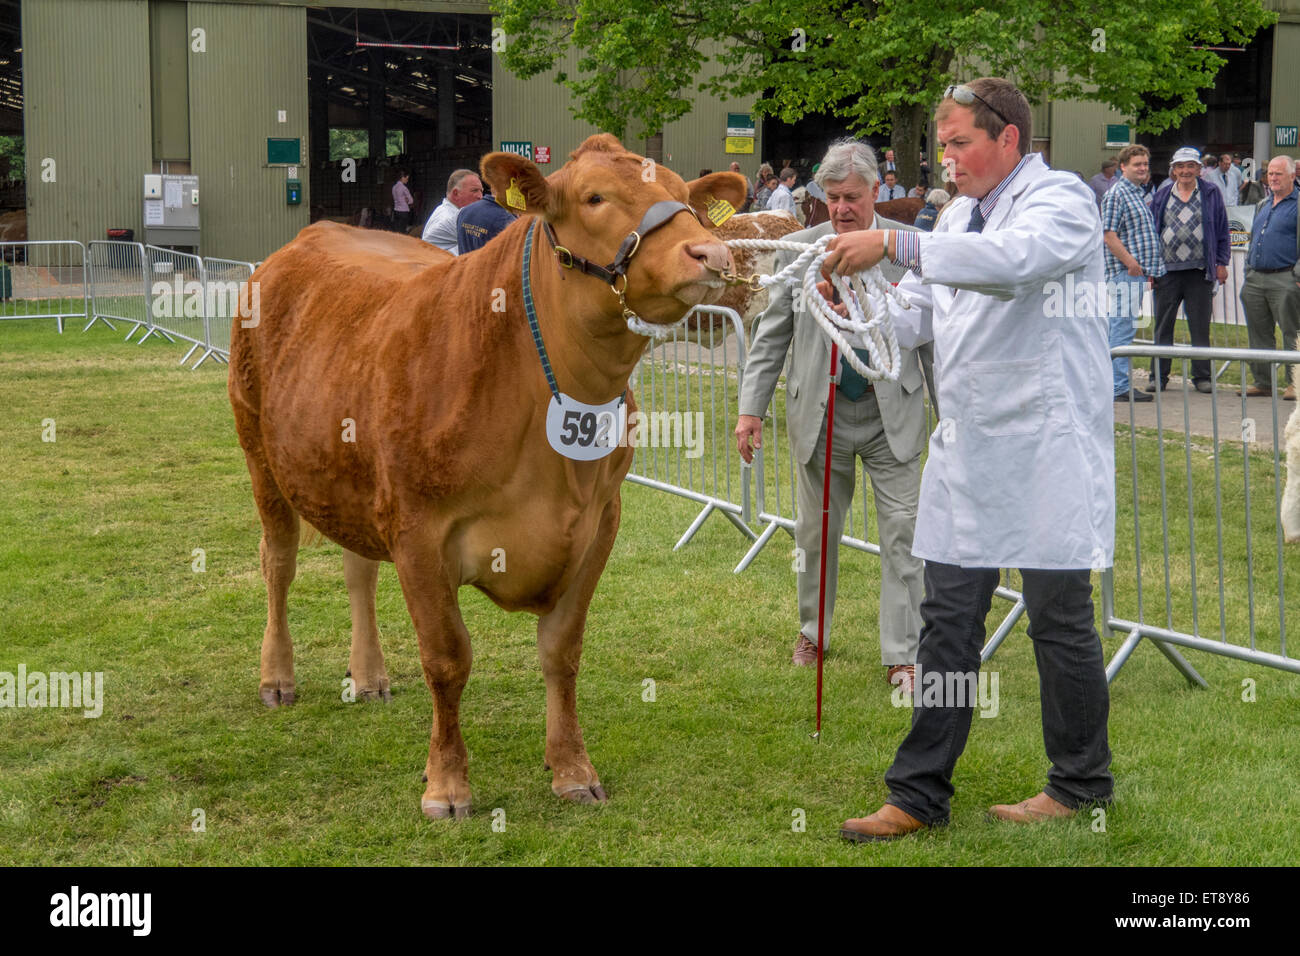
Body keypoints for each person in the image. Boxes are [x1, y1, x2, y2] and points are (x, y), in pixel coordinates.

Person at [820, 77, 1115, 841]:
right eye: (943, 146)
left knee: (1059, 620)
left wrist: (890, 239)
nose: (946, 160)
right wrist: (864, 303)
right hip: (970, 450)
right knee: (946, 624)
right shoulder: (955, 215)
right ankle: (917, 794)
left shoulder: (1063, 202)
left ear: (1008, 139)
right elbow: (923, 308)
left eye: (958, 144)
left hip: (1045, 447)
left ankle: (1079, 782)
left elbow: (1014, 260)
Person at [735, 138, 928, 694]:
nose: (843, 208)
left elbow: (939, 338)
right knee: (816, 535)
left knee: (904, 535)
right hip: (821, 416)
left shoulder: (912, 248)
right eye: (834, 197)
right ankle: (813, 631)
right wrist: (751, 410)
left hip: (893, 412)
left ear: (877, 192)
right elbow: (770, 339)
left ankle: (904, 654)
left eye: (854, 196)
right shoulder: (800, 250)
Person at [1147, 146, 1231, 393]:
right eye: (1180, 166)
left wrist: (1221, 263)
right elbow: (1153, 233)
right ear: (1173, 169)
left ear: (1199, 169)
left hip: (1199, 270)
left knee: (1200, 326)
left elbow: (1223, 230)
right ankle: (1158, 377)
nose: (1185, 170)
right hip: (1167, 271)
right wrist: (1151, 267)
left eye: (1190, 166)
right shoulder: (1162, 195)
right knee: (1163, 327)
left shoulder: (1211, 193)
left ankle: (1202, 377)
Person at [1101, 144, 1164, 402]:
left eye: (1145, 164)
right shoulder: (1117, 194)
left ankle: (1115, 383)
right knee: (1122, 328)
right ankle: (1118, 387)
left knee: (1120, 326)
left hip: (1134, 273)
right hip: (1125, 273)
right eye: (1137, 164)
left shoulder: (1136, 193)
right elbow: (1109, 234)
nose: (1142, 169)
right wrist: (1131, 263)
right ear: (1123, 166)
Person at [1240, 155, 1299, 400]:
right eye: (1270, 174)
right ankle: (1263, 381)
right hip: (1256, 278)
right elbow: (1254, 238)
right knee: (1258, 332)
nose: (1273, 178)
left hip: (1285, 278)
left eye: (1278, 174)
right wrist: (1248, 269)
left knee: (1292, 333)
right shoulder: (1263, 203)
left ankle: (1294, 383)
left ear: (1292, 176)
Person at [421, 169, 484, 254]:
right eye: (474, 190)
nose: (480, 196)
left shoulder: (445, 211)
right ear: (455, 194)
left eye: (481, 191)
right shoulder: (448, 218)